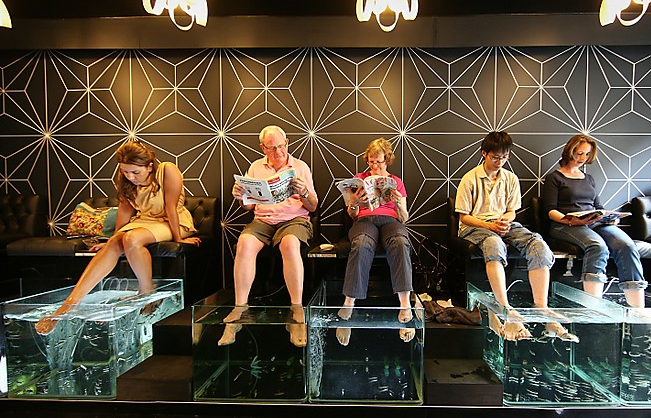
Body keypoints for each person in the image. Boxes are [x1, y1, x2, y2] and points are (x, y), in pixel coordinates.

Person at [35, 139, 201, 335]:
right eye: (125, 171)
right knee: (116, 241)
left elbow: (170, 208)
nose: (130, 176)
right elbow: (124, 211)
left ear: (149, 166)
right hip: (144, 221)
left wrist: (179, 239)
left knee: (131, 239)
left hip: (171, 220)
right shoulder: (125, 178)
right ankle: (69, 304)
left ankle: (147, 293)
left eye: (135, 172)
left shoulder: (167, 170)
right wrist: (111, 242)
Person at [543, 134, 651, 358]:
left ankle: (637, 308)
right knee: (598, 246)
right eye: (579, 153)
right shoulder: (554, 178)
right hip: (565, 224)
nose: (582, 158)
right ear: (569, 151)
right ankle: (594, 306)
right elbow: (550, 210)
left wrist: (608, 217)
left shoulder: (589, 178)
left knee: (626, 245)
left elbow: (597, 205)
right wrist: (571, 220)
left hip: (593, 221)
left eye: (587, 154)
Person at [455, 131, 569, 342]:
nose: (499, 162)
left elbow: (511, 211)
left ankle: (541, 306)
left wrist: (504, 221)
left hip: (503, 224)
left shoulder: (510, 179)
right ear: (484, 153)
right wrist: (490, 225)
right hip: (475, 225)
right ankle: (504, 306)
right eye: (495, 157)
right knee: (494, 244)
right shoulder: (470, 179)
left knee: (538, 245)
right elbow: (464, 217)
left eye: (504, 157)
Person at [222, 125, 317, 347]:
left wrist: (303, 192)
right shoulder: (256, 167)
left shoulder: (300, 167)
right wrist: (240, 196)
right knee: (244, 242)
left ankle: (296, 312)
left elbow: (313, 207)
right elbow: (248, 207)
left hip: (294, 220)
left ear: (287, 143)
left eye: (281, 146)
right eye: (272, 148)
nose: (278, 152)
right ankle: (239, 309)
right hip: (263, 220)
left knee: (290, 244)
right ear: (263, 148)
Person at [337, 138, 415, 345]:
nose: (375, 166)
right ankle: (349, 303)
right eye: (371, 162)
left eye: (379, 162)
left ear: (387, 160)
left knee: (400, 242)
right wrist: (354, 202)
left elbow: (404, 218)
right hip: (365, 219)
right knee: (361, 244)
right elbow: (353, 215)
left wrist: (398, 204)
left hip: (391, 220)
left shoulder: (396, 182)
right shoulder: (359, 179)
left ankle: (405, 304)